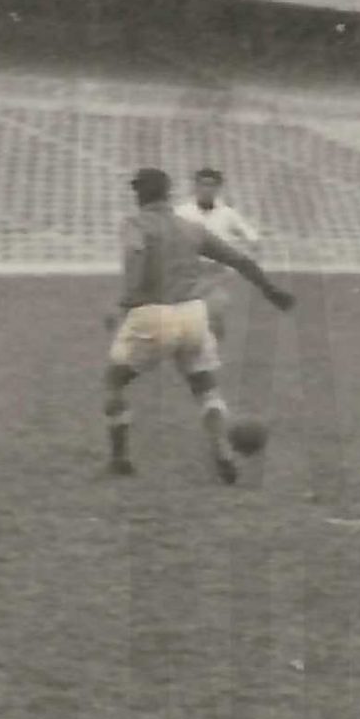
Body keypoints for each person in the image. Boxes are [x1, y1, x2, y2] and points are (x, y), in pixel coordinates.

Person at [104, 166, 294, 482]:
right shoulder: (190, 227)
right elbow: (240, 260)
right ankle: (223, 451)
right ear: (168, 193)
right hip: (193, 313)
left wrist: (122, 305)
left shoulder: (134, 224)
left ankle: (120, 459)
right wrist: (271, 290)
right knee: (205, 386)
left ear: (139, 195)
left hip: (152, 313)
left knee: (114, 382)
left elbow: (136, 259)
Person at [176, 166, 261, 337]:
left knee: (214, 312)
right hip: (189, 271)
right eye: (202, 184)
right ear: (195, 186)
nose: (206, 189)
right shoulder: (182, 212)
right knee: (187, 318)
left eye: (211, 185)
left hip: (216, 273)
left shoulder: (227, 214)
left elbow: (251, 237)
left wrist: (249, 250)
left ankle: (212, 341)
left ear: (218, 188)